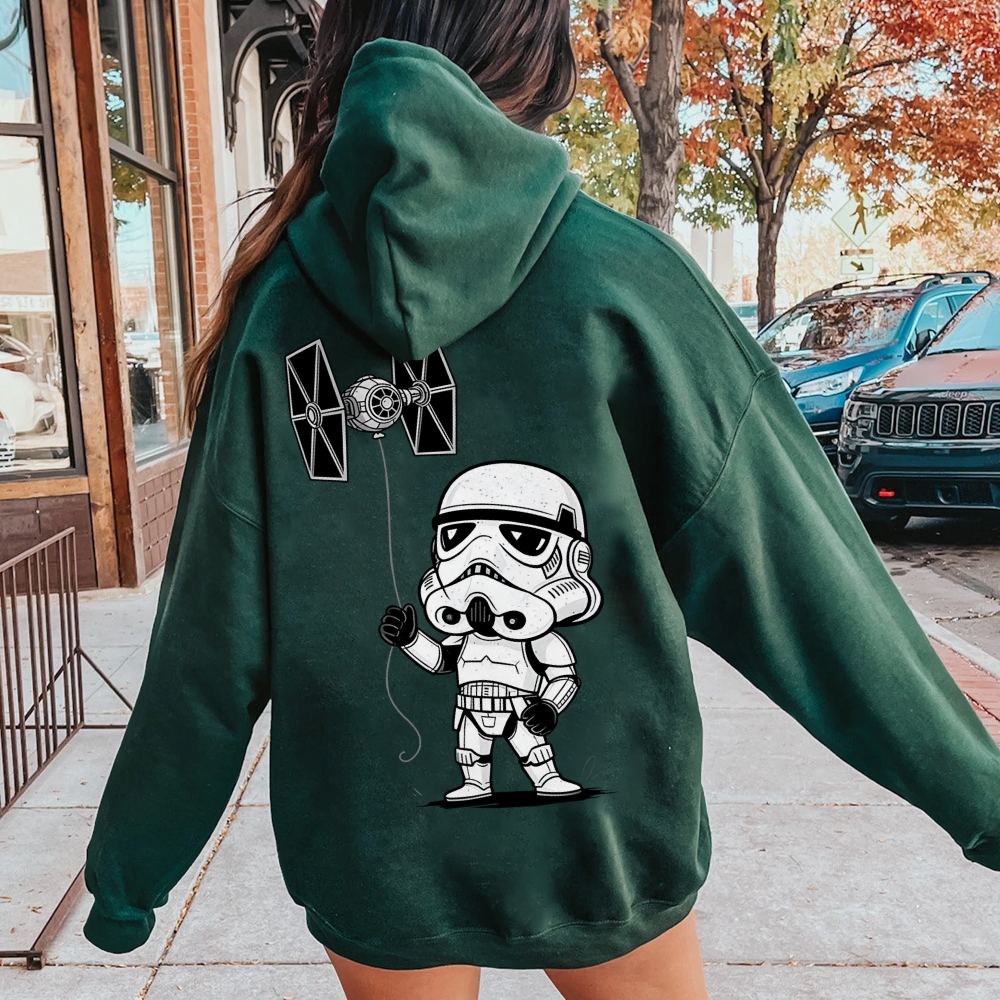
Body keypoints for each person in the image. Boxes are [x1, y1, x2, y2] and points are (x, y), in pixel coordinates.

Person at [81, 2, 1000, 998]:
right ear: (539, 63)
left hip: (372, 848)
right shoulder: (625, 282)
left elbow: (206, 640)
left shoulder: (276, 308)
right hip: (603, 846)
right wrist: (978, 796)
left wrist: (133, 869)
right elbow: (809, 581)